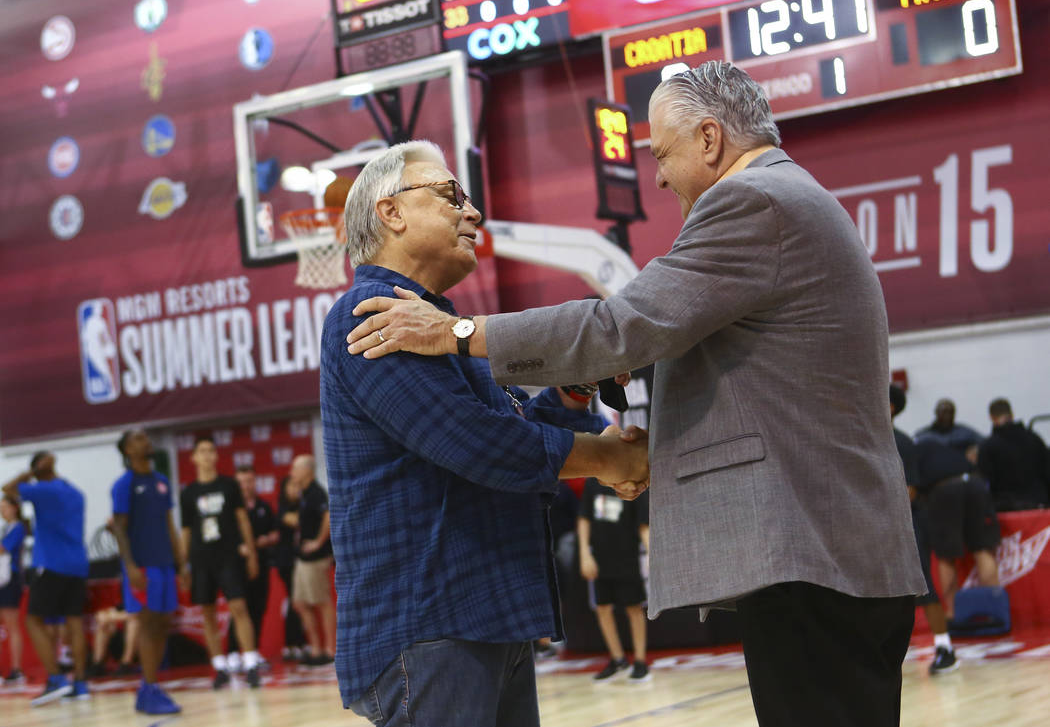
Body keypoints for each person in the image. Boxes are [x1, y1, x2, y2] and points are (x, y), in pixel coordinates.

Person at [346, 63, 927, 727]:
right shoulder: (373, 317)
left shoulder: (754, 201)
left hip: (813, 555)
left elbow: (619, 328)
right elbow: (488, 433)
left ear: (709, 139)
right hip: (835, 550)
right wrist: (596, 418)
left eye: (662, 154)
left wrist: (461, 332)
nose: (656, 176)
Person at [320, 140, 649, 726]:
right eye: (451, 195)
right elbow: (478, 445)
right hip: (429, 627)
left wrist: (576, 389)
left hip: (483, 619)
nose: (472, 213)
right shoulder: (369, 313)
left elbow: (513, 429)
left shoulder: (437, 325)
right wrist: (606, 455)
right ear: (390, 212)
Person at [2, 453, 91, 704]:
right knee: (74, 624)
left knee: (33, 621)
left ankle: (56, 679)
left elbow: (7, 489)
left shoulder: (42, 490)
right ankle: (81, 684)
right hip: (78, 564)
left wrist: (30, 474)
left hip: (51, 563)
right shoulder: (75, 492)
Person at [110, 429, 184, 714]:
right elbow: (119, 528)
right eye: (139, 439)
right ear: (128, 450)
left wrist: (181, 563)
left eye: (146, 438)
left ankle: (148, 689)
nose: (147, 442)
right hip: (143, 565)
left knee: (163, 623)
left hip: (165, 563)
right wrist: (130, 566)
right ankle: (150, 687)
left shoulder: (161, 481)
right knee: (148, 623)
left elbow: (169, 524)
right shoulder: (124, 484)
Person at [179, 436, 262, 688]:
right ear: (193, 458)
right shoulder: (189, 493)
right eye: (201, 451)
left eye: (210, 450)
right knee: (208, 613)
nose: (206, 455)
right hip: (201, 559)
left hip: (228, 556)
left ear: (216, 456)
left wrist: (252, 553)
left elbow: (243, 520)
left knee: (238, 607)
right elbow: (185, 532)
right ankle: (219, 667)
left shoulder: (228, 486)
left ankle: (250, 663)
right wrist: (183, 565)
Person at [890, 385, 958, 675]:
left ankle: (945, 648)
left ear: (891, 407)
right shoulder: (864, 439)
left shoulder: (902, 442)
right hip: (881, 527)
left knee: (924, 587)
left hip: (908, 524)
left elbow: (911, 491)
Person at [914, 436, 1001, 620]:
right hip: (976, 483)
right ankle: (995, 610)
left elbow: (912, 489)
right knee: (982, 550)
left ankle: (953, 613)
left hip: (945, 489)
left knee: (946, 556)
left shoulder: (913, 453)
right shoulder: (947, 448)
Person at [578, 477, 651, 682]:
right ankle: (618, 659)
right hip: (599, 557)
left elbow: (643, 524)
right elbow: (584, 518)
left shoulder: (632, 480)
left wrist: (651, 553)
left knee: (633, 608)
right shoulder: (593, 482)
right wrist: (584, 553)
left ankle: (640, 661)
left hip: (626, 557)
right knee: (602, 608)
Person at [284, 455, 335, 665]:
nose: (291, 472)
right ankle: (315, 649)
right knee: (299, 603)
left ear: (307, 471)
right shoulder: (303, 494)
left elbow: (328, 516)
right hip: (302, 558)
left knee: (322, 602)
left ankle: (330, 650)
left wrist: (318, 541)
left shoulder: (316, 492)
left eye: (295, 468)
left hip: (316, 558)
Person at [227, 464, 278, 664]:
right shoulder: (231, 510)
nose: (246, 486)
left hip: (262, 563)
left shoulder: (263, 507)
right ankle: (233, 652)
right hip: (237, 566)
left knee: (258, 606)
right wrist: (240, 547)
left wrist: (267, 540)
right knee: (239, 607)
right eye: (241, 482)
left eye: (249, 481)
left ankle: (253, 651)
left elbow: (276, 532)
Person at [978, 398, 1050, 511]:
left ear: (991, 417)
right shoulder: (1034, 438)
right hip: (1040, 504)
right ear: (1012, 414)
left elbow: (985, 484)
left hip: (1008, 510)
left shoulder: (988, 447)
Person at [274, 476, 307, 661]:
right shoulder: (283, 508)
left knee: (299, 601)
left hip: (300, 559)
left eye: (297, 484)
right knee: (295, 600)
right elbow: (295, 521)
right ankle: (291, 644)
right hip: (286, 561)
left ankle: (298, 642)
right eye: (292, 485)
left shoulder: (302, 505)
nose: (296, 489)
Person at [0, 494, 28, 683]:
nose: (2, 511)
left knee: (11, 624)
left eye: (4, 507)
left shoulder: (18, 528)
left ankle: (16, 668)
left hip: (10, 579)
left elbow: (3, 549)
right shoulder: (6, 528)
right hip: (3, 579)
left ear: (14, 507)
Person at [915, 398, 983, 462]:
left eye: (951, 412)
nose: (947, 416)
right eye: (944, 412)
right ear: (936, 412)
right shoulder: (923, 435)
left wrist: (975, 450)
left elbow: (985, 444)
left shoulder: (964, 432)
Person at [88, 604, 139, 677]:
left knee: (134, 623)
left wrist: (112, 617)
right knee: (104, 624)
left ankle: (126, 664)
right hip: (118, 639)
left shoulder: (138, 598)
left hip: (138, 643)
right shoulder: (120, 601)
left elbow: (138, 615)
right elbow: (101, 615)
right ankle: (97, 664)